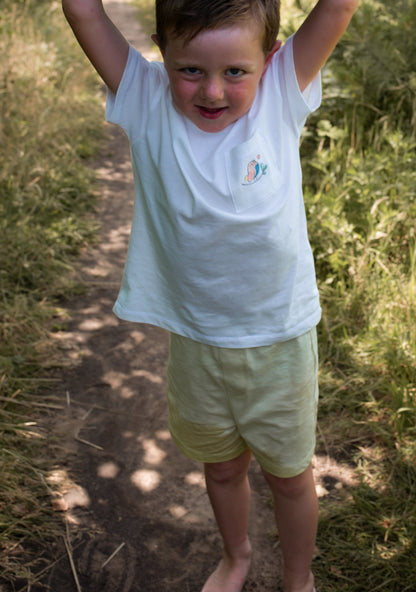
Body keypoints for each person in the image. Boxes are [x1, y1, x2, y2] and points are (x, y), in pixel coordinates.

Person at [62, 1, 359, 591]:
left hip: (280, 342)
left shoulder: (281, 94)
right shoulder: (146, 100)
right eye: (190, 70)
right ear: (159, 53)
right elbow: (81, 11)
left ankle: (299, 579)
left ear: (270, 61)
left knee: (291, 477)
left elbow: (340, 6)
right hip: (197, 342)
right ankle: (236, 557)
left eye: (235, 72)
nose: (213, 91)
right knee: (222, 470)